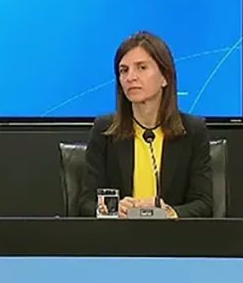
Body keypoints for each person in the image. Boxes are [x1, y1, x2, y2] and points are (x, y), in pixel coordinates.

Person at [80, 31, 212, 218]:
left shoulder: (192, 131)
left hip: (173, 235)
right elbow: (85, 203)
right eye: (124, 70)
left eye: (141, 67)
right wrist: (113, 211)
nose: (130, 77)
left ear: (165, 77)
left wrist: (169, 212)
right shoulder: (104, 130)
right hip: (119, 234)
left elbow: (204, 204)